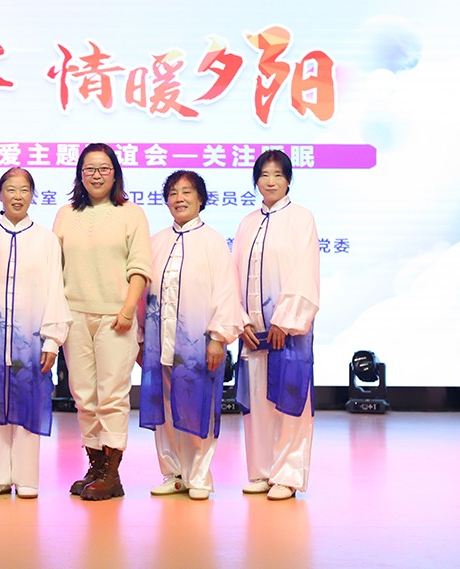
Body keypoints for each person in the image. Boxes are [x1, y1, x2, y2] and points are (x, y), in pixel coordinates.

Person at [0, 168, 72, 500]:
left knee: (29, 401)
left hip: (32, 339)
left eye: (24, 189)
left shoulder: (45, 239)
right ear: (0, 194)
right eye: (10, 189)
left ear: (32, 195)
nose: (17, 196)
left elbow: (55, 290)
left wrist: (52, 340)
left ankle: (26, 477)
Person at [52, 143, 152, 501]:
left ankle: (112, 473)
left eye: (104, 168)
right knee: (84, 396)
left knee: (112, 395)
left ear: (115, 173)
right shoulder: (66, 214)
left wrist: (127, 310)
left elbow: (140, 267)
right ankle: (95, 467)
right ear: (80, 175)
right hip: (75, 316)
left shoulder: (131, 214)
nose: (97, 175)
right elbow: (54, 268)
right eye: (89, 169)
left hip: (115, 317)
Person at [138, 170, 243, 501]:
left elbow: (226, 292)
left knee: (197, 405)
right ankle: (173, 473)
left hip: (199, 343)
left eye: (186, 192)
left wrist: (218, 337)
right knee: (166, 409)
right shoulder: (156, 242)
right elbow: (143, 294)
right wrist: (141, 337)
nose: (179, 198)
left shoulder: (213, 242)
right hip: (160, 341)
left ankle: (198, 475)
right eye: (173, 192)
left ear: (201, 199)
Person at [232, 149, 320, 501]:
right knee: (258, 402)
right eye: (264, 175)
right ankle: (262, 471)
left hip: (288, 332)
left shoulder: (301, 219)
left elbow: (304, 271)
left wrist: (285, 320)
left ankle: (287, 475)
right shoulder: (247, 222)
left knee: (289, 401)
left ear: (288, 180)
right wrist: (239, 320)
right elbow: (233, 275)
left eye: (278, 175)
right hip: (253, 333)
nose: (270, 181)